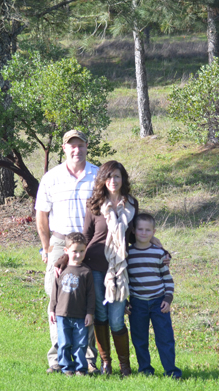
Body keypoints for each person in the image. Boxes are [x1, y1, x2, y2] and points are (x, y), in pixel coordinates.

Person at [35, 129, 99, 374]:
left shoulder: (97, 175)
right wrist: (47, 247)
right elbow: (42, 214)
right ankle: (58, 358)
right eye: (72, 146)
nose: (76, 150)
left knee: (89, 298)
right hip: (60, 241)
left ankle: (88, 359)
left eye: (80, 145)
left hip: (89, 244)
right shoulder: (51, 178)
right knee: (56, 298)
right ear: (64, 148)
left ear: (86, 146)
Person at [81, 160, 138, 377]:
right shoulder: (94, 204)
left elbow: (133, 236)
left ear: (123, 179)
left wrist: (155, 243)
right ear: (102, 180)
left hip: (119, 269)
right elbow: (87, 236)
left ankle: (125, 366)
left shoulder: (131, 204)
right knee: (101, 316)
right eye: (109, 176)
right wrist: (70, 260)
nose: (113, 180)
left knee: (116, 319)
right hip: (95, 266)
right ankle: (106, 363)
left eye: (117, 176)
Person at [127, 213, 182, 379]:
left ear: (154, 232)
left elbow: (167, 279)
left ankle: (171, 371)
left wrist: (168, 299)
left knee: (165, 338)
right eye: (140, 229)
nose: (144, 233)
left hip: (159, 302)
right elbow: (124, 281)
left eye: (148, 230)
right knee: (139, 339)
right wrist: (125, 302)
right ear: (133, 231)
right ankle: (145, 370)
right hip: (137, 303)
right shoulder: (128, 254)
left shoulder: (159, 253)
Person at [49, 233, 96, 376]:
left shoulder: (86, 272)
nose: (78, 255)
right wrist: (52, 310)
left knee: (81, 343)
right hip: (62, 314)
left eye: (82, 251)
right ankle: (66, 367)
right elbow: (54, 291)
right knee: (64, 342)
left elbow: (91, 295)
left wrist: (89, 313)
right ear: (66, 251)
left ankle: (80, 368)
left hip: (80, 315)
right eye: (74, 251)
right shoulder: (61, 269)